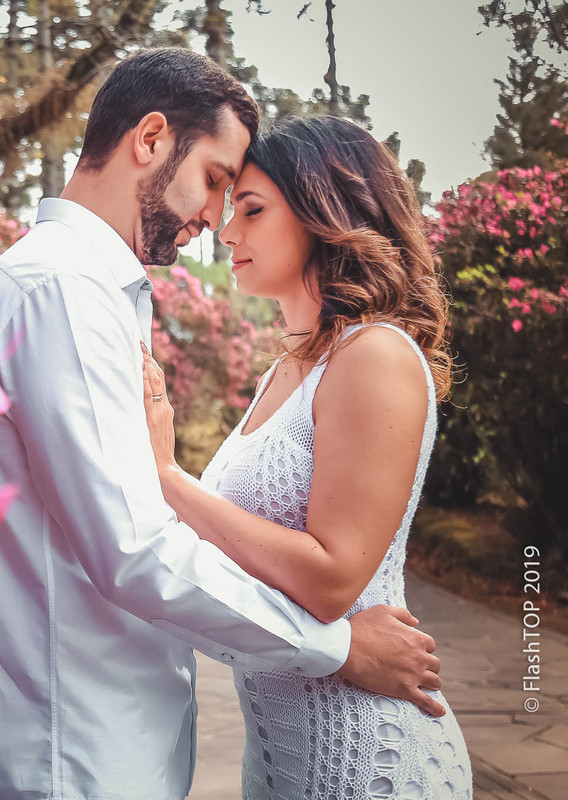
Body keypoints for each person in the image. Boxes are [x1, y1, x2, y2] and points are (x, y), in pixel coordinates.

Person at [0, 47, 444, 800]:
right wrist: (333, 649)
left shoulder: (87, 290)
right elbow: (134, 550)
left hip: (93, 736)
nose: (215, 220)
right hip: (63, 749)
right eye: (214, 181)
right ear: (150, 140)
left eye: (240, 199)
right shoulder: (63, 292)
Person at [141, 114, 472, 798]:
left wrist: (167, 476)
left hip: (368, 761)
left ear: (326, 209)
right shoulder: (288, 369)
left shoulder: (373, 353)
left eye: (253, 211)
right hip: (282, 762)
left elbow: (330, 579)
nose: (228, 233)